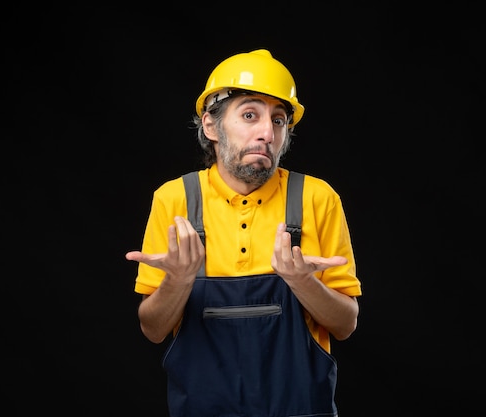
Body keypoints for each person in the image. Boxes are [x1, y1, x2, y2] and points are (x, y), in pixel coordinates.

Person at [126, 49, 362, 417]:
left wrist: (302, 283)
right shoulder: (175, 200)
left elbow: (345, 325)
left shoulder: (317, 198)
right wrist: (179, 280)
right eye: (250, 115)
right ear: (210, 126)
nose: (268, 133)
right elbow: (153, 330)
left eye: (280, 121)